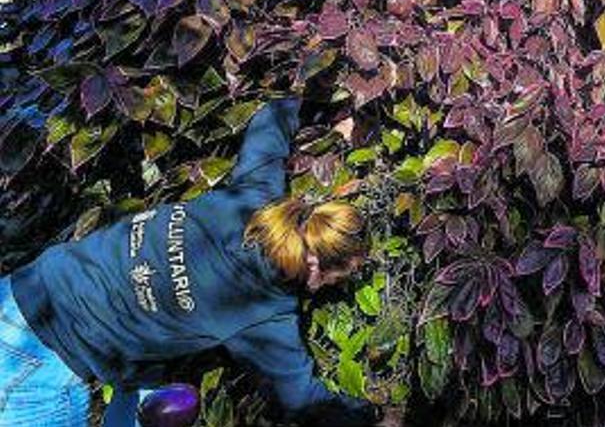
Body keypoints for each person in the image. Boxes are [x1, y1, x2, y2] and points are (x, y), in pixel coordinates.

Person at [0, 99, 384, 426]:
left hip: (21, 293)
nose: (337, 285)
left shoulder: (255, 195)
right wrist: (372, 414)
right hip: (40, 368)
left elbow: (272, 116)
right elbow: (303, 399)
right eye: (341, 276)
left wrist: (336, 111)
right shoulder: (264, 314)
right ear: (315, 262)